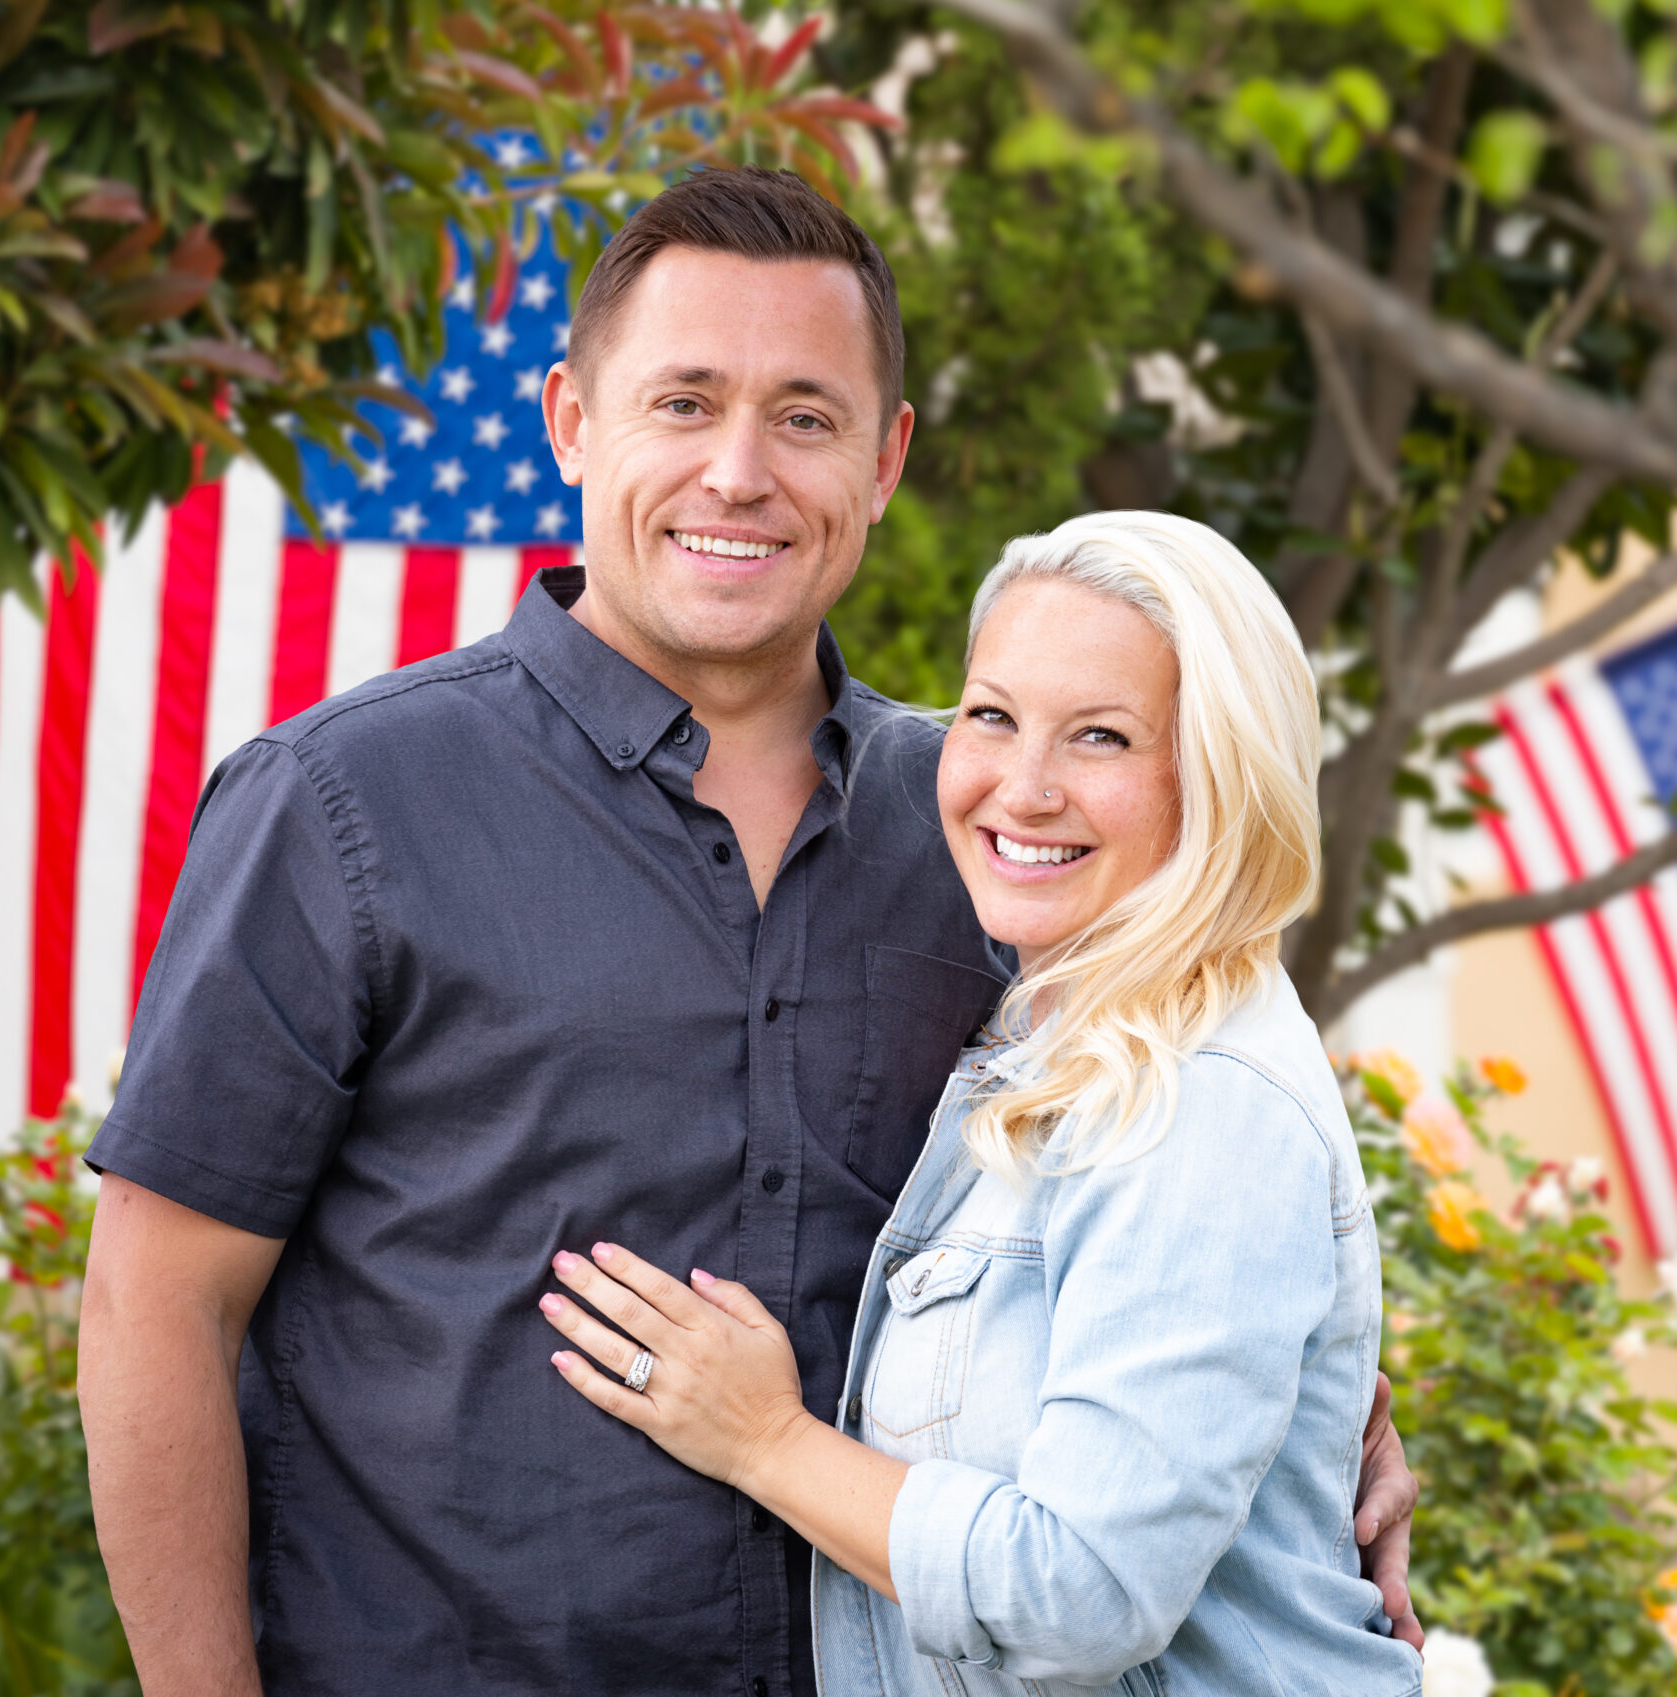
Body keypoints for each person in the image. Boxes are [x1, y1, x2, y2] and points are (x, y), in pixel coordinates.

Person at [77, 167, 1418, 1697]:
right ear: (572, 422)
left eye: (803, 416)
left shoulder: (993, 837)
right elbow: (156, 1301)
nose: (738, 472)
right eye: (685, 403)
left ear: (884, 458)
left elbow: (1150, 1223)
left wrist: (1316, 1410)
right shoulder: (342, 807)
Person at [538, 510, 1421, 1695]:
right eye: (993, 715)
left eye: (1101, 736)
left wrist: (762, 1438)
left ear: (1220, 773)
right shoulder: (1048, 1033)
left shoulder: (1197, 1099)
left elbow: (1082, 1594)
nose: (1024, 786)